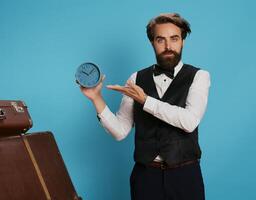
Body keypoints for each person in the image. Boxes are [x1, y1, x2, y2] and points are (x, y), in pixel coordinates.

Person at [79, 13, 210, 200]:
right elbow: (120, 131)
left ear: (183, 41)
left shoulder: (199, 76)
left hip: (185, 176)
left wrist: (146, 100)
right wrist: (96, 98)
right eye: (160, 40)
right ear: (152, 42)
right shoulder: (136, 79)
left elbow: (189, 121)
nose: (168, 46)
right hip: (145, 177)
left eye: (174, 39)